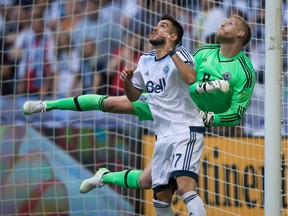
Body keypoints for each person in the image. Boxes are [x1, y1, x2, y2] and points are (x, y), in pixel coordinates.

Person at [22, 14, 254, 212]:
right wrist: (204, 87)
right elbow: (188, 80)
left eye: (230, 23)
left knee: (148, 181)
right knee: (112, 103)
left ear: (241, 33)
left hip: (184, 118)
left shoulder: (244, 70)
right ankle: (47, 105)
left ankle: (104, 177)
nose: (223, 24)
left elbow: (235, 113)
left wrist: (212, 116)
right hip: (165, 105)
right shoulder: (203, 52)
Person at [121, 14, 207, 216]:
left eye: (162, 26)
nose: (155, 28)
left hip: (185, 130)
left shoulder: (182, 54)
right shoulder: (145, 60)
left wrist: (171, 53)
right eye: (156, 25)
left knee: (185, 187)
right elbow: (134, 97)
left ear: (173, 36)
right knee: (161, 197)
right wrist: (127, 82)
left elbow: (191, 78)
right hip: (162, 136)